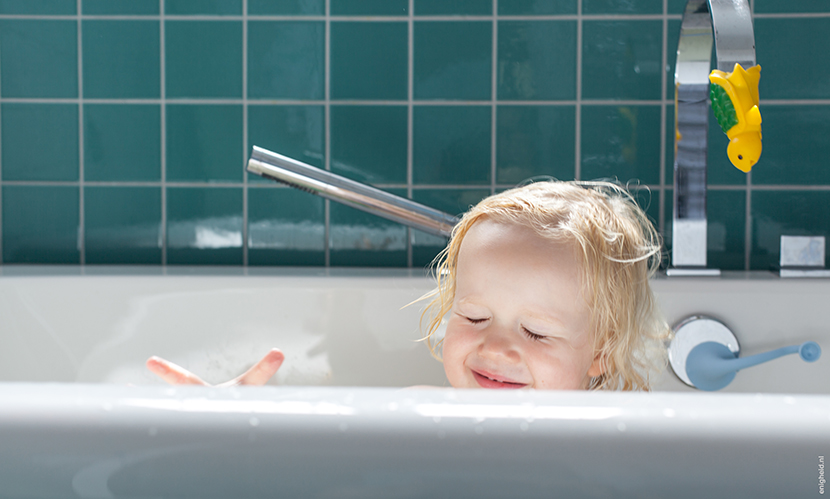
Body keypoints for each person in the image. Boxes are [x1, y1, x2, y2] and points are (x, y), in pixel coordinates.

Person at [147, 180, 670, 391]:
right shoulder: (417, 416)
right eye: (475, 317)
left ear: (600, 350)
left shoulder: (615, 446)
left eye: (536, 332)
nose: (495, 346)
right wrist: (231, 435)